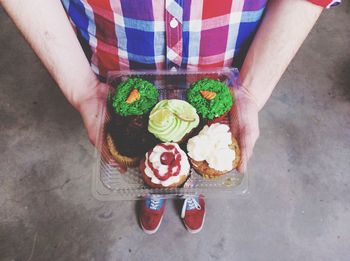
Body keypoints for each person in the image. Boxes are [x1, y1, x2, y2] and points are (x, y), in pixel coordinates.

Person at [1, 0, 340, 234]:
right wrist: (81, 88)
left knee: (201, 152)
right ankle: (156, 186)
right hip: (118, 74)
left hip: (219, 75)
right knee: (143, 152)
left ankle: (189, 184)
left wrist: (251, 88)